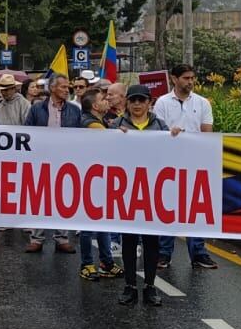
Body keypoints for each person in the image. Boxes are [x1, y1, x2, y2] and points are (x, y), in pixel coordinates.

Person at [153, 63, 217, 270]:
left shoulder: (202, 102)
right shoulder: (162, 103)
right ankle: (163, 253)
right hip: (168, 164)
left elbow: (207, 131)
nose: (190, 82)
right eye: (186, 78)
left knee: (196, 209)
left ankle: (198, 252)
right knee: (168, 208)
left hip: (195, 163)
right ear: (174, 79)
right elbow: (159, 132)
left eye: (192, 78)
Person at [114, 85, 167, 307]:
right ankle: (130, 286)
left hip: (153, 190)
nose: (137, 104)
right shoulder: (116, 126)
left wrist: (177, 136)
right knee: (128, 240)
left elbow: (175, 150)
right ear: (127, 102)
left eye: (141, 100)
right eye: (133, 100)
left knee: (151, 241)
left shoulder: (161, 126)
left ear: (149, 102)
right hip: (126, 190)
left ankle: (150, 286)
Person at [24, 73, 84, 254]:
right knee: (40, 198)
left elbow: (81, 134)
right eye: (63, 87)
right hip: (41, 160)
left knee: (63, 199)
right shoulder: (36, 109)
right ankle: (37, 238)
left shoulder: (74, 110)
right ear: (52, 88)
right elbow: (27, 132)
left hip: (66, 160)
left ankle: (62, 237)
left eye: (68, 87)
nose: (67, 90)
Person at [77, 91, 119, 280]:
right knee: (88, 226)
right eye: (102, 99)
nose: (107, 100)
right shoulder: (92, 124)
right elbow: (113, 143)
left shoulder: (99, 121)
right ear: (95, 106)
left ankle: (106, 263)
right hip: (90, 180)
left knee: (103, 223)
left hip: (99, 178)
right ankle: (87, 264)